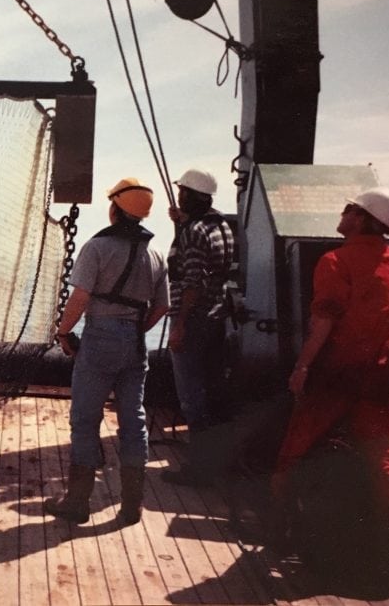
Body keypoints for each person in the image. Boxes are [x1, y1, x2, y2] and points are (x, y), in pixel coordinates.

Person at [271, 187, 389, 581]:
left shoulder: (335, 261)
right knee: (386, 461)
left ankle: (277, 532)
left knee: (292, 452)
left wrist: (301, 368)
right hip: (383, 375)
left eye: (350, 208)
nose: (343, 212)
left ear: (363, 219)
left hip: (337, 373)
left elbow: (325, 322)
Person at [45, 178, 170, 525]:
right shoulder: (157, 254)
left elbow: (81, 297)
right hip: (134, 341)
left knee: (85, 419)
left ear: (115, 208)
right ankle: (132, 506)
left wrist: (64, 331)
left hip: (100, 338)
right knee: (134, 420)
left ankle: (77, 502)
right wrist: (134, 329)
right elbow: (161, 308)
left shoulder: (97, 247)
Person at [162, 168, 234, 485]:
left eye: (182, 193)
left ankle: (200, 470)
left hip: (192, 320)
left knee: (192, 397)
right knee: (212, 391)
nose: (179, 197)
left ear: (190, 195)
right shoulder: (221, 226)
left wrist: (179, 325)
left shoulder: (193, 232)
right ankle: (217, 464)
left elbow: (192, 281)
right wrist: (182, 224)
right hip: (216, 318)